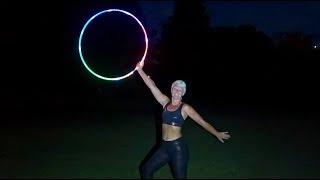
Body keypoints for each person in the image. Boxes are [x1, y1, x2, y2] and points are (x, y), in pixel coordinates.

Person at [136, 61, 231, 179]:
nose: (177, 91)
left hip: (178, 148)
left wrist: (216, 133)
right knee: (146, 170)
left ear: (182, 93)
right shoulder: (165, 102)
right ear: (171, 89)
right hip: (164, 147)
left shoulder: (185, 108)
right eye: (175, 88)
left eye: (180, 90)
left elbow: (202, 122)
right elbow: (152, 86)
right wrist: (140, 70)